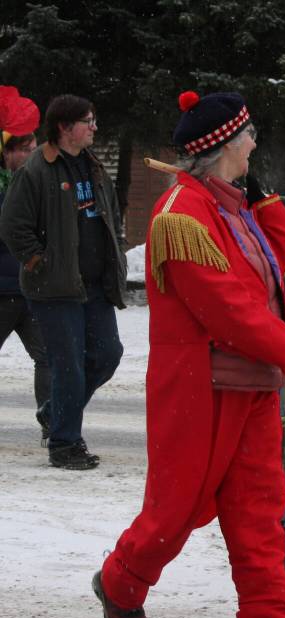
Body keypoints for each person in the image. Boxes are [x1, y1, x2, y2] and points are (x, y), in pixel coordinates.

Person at [93, 90, 285, 618]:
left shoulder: (229, 205)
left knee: (259, 506)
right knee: (177, 507)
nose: (255, 143)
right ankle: (121, 582)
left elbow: (270, 268)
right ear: (224, 144)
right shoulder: (183, 214)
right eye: (248, 136)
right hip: (203, 387)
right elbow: (230, 310)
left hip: (249, 383)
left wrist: (264, 201)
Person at [0, 94, 126, 470]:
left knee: (107, 355)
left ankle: (54, 410)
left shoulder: (94, 167)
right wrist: (40, 260)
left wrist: (115, 254)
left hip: (95, 287)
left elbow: (110, 217)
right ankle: (65, 443)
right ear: (64, 127)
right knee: (67, 364)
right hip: (54, 288)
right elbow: (12, 225)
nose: (94, 127)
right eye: (88, 121)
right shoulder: (37, 170)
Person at [0, 90, 50, 443]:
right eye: (24, 148)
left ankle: (53, 425)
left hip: (29, 289)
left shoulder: (31, 184)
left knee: (47, 357)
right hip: (3, 290)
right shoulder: (10, 188)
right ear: (7, 152)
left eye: (33, 146)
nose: (30, 154)